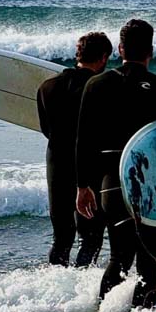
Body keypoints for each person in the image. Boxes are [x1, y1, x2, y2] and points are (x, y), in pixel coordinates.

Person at [76, 19, 156, 309]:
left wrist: (83, 186)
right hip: (153, 185)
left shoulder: (97, 85)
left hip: (111, 186)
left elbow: (84, 141)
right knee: (149, 265)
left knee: (118, 259)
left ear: (119, 49)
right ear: (150, 51)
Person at [36, 32, 113, 267]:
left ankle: (58, 289)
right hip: (90, 168)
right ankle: (80, 290)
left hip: (57, 165)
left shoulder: (47, 87)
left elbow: (46, 129)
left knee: (61, 239)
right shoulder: (101, 88)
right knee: (90, 238)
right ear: (102, 58)